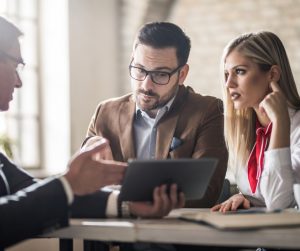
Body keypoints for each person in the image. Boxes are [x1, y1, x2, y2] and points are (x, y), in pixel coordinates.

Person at [0, 16, 184, 249]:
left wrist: (128, 205)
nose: (19, 82)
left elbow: (26, 190)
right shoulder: (106, 111)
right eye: (15, 65)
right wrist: (68, 184)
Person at [83, 21, 228, 210]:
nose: (146, 85)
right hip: (118, 233)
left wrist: (127, 202)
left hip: (177, 234)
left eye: (160, 75)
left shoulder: (209, 111)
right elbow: (83, 186)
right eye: (139, 70)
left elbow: (205, 193)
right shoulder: (105, 112)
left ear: (182, 74)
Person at [212, 31, 300, 213]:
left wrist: (280, 122)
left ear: (272, 74)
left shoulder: (296, 126)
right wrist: (246, 198)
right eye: (226, 74)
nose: (228, 83)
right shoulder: (245, 131)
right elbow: (267, 197)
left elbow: (279, 202)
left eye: (240, 71)